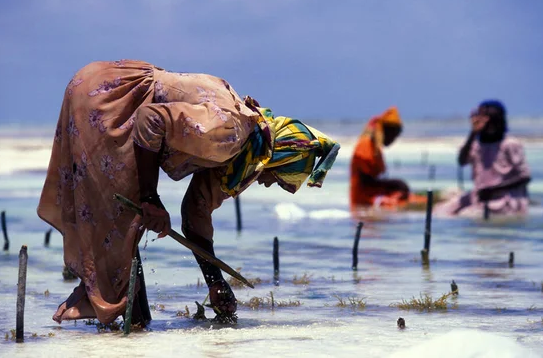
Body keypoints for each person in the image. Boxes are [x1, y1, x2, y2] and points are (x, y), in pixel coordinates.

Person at [37, 60, 340, 325]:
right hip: (111, 95)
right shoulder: (230, 132)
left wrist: (215, 282)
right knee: (123, 220)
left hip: (115, 98)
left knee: (126, 224)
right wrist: (150, 198)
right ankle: (109, 314)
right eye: (277, 177)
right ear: (278, 159)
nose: (267, 183)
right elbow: (150, 120)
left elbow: (195, 213)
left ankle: (127, 336)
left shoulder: (240, 155)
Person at [435, 100, 531, 217]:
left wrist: (493, 190)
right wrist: (473, 133)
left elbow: (524, 177)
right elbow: (462, 161)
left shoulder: (510, 144)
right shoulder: (476, 143)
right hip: (479, 195)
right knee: (440, 211)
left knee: (468, 215)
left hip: (505, 199)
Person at [350, 106, 423, 211]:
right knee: (408, 205)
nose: (394, 139)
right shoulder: (365, 146)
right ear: (386, 131)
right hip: (365, 200)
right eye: (393, 135)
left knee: (415, 199)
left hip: (374, 195)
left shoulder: (375, 149)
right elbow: (366, 181)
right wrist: (395, 183)